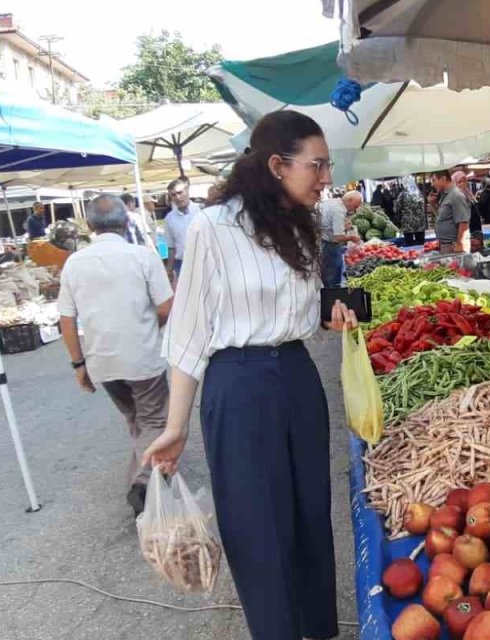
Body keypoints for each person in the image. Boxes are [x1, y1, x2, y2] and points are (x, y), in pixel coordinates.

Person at [142, 111, 357, 640]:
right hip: (238, 386)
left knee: (309, 513)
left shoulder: (303, 225)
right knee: (256, 524)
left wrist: (332, 313)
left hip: (297, 376)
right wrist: (176, 425)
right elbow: (189, 330)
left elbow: (298, 311)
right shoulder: (212, 227)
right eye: (318, 165)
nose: (326, 177)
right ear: (278, 165)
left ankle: (318, 628)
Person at [57, 195, 174, 516]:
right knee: (153, 420)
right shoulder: (142, 256)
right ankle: (144, 482)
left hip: (101, 360)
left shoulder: (74, 262)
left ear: (90, 225)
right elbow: (166, 307)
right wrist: (152, 325)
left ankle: (147, 480)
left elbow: (66, 320)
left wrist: (78, 365)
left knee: (136, 419)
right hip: (142, 356)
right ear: (126, 223)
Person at [318, 190, 364, 286]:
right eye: (355, 206)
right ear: (350, 200)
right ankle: (333, 295)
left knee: (326, 274)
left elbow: (327, 224)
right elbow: (338, 237)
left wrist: (344, 227)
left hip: (321, 242)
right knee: (333, 275)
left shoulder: (332, 202)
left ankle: (328, 293)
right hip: (328, 245)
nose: (355, 210)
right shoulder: (339, 210)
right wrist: (352, 238)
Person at [162, 177, 195, 279]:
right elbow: (171, 246)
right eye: (173, 195)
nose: (177, 197)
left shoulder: (202, 211)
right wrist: (169, 269)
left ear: (187, 191)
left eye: (180, 192)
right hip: (181, 264)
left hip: (203, 261)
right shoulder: (169, 218)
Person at [432, 169, 471, 253]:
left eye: (434, 180)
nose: (432, 184)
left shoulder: (456, 195)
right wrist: (432, 204)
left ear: (443, 178)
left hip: (452, 246)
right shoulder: (446, 195)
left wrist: (460, 244)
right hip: (445, 245)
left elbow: (463, 222)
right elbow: (442, 218)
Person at [452, 171, 484, 251]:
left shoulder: (469, 194)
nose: (463, 184)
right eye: (459, 182)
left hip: (475, 231)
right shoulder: (454, 198)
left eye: (464, 181)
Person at [395, 177, 428, 245]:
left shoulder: (403, 194)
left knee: (409, 245)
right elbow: (422, 205)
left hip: (408, 224)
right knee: (421, 244)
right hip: (420, 223)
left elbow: (396, 208)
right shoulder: (419, 193)